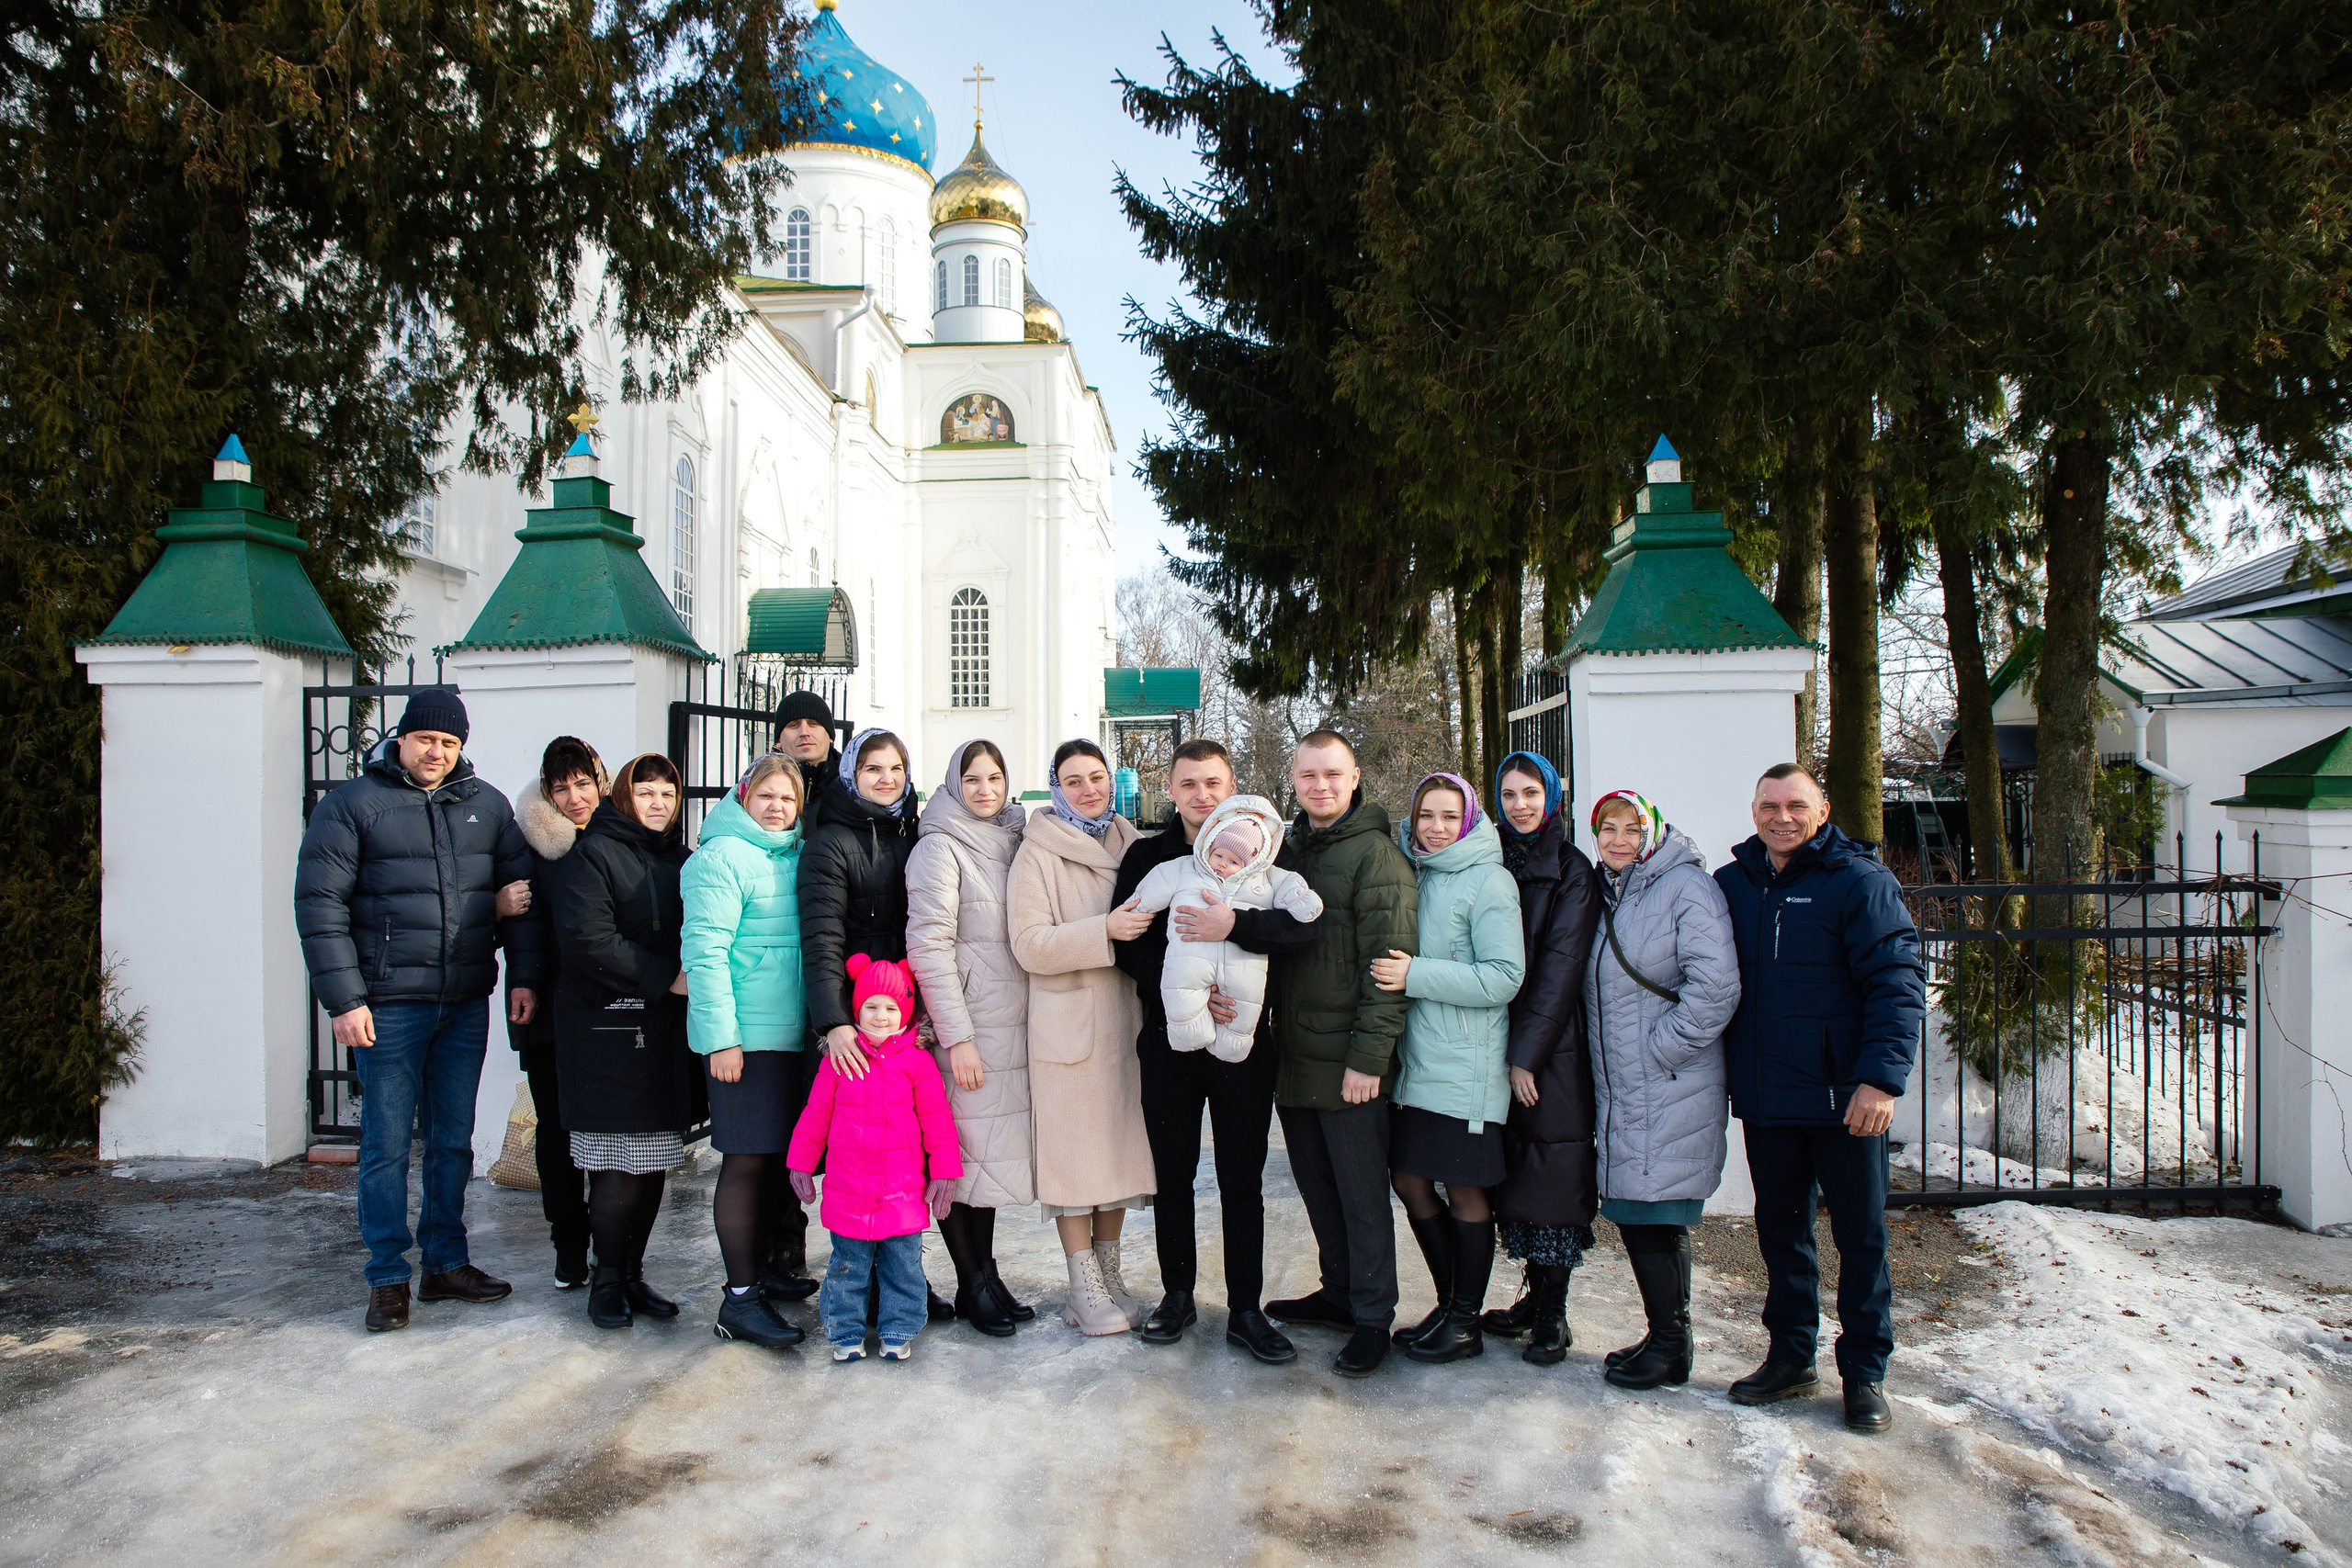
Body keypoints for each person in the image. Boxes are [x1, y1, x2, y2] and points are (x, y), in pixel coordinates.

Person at [295, 688, 533, 1333]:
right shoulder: (352, 806)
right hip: (386, 1006)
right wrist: (344, 999)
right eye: (427, 738)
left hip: (462, 1003)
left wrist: (524, 975)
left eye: (449, 742)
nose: (437, 751)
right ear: (401, 738)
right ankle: (387, 1276)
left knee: (452, 1142)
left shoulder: (486, 806)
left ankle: (446, 1262)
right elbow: (320, 905)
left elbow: (516, 896)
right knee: (386, 1145)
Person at [1716, 763, 1925, 1434]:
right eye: (1769, 805)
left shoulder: (1860, 882)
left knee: (1860, 1237)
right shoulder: (1734, 885)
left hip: (1846, 1100)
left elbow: (1897, 979)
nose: (1782, 817)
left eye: (1795, 805)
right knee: (1781, 1235)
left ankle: (1864, 1373)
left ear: (1824, 808)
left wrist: (1881, 1080)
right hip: (1769, 1097)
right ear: (1753, 811)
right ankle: (1791, 1355)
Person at [1111, 739, 1319, 1364]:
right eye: (1190, 784)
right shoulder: (1150, 856)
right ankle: (1177, 1294)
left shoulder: (1265, 855)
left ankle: (1246, 1309)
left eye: (1214, 783)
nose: (1203, 795)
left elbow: (1297, 930)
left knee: (1241, 1178)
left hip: (1245, 1040)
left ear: (1233, 788)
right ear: (1170, 789)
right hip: (1171, 1039)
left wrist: (1238, 939)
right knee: (1173, 1174)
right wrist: (1192, 994)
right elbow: (1128, 940)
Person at [1261, 730, 1419, 1378]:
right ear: (1293, 780)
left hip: (1350, 1063)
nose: (1319, 785)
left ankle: (1374, 1315)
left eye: (1332, 774)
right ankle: (1338, 1291)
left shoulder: (1375, 857)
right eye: (1308, 775)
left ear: (1355, 778)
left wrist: (1369, 1059)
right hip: (1295, 1056)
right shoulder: (1289, 851)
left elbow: (1388, 969)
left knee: (1360, 1195)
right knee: (1319, 1189)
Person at [1582, 789, 1741, 1392]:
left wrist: (1658, 1050)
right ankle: (1663, 1334)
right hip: (1627, 1086)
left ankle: (1674, 1346)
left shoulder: (1686, 887)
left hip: (1668, 1080)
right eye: (1607, 828)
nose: (1618, 839)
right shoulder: (1612, 891)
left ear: (1652, 831)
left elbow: (1716, 989)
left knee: (1657, 1211)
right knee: (1635, 1209)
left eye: (1630, 827)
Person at [796, 726, 950, 1320]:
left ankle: (902, 1279)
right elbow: (822, 937)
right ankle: (858, 1285)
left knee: (906, 1153)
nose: (885, 779)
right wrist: (834, 1023)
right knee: (859, 1152)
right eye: (872, 769)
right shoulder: (830, 841)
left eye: (895, 768)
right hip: (855, 1022)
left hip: (903, 1015)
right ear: (851, 775)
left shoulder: (912, 832)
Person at [1372, 773, 1526, 1364]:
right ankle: (1449, 1304)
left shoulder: (1490, 880)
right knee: (1410, 1180)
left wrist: (1417, 975)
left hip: (1466, 1064)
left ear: (1468, 820)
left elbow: (1503, 978)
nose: (1434, 828)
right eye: (1425, 815)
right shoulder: (1416, 870)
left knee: (1463, 1190)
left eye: (1447, 816)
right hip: (1418, 1063)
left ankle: (1465, 1322)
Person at [543, 752, 698, 1331]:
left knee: (654, 1160)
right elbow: (587, 938)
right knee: (616, 1164)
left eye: (666, 792)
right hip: (606, 1028)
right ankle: (604, 1278)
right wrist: (665, 976)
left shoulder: (681, 860)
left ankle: (632, 1273)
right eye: (646, 791)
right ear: (623, 797)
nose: (657, 802)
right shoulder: (593, 855)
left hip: (662, 1033)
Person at [1009, 739, 1156, 1336]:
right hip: (1067, 1028)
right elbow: (1028, 943)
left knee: (1116, 1153)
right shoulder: (1037, 853)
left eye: (1097, 776)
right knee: (1074, 1163)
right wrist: (1106, 930)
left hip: (1125, 1021)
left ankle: (1110, 1272)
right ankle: (1082, 1284)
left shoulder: (1134, 844)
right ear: (1055, 788)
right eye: (1073, 780)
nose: (1088, 788)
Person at [905, 739, 1038, 1337]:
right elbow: (928, 946)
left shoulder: (1012, 840)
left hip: (1008, 1023)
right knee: (957, 1161)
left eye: (995, 777)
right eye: (974, 779)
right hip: (967, 1031)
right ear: (954, 784)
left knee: (982, 1162)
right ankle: (970, 1281)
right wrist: (955, 1037)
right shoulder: (939, 847)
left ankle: (986, 1274)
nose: (986, 789)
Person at [681, 754, 812, 1350]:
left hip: (790, 1038)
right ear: (745, 795)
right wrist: (721, 1039)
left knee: (778, 1161)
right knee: (745, 1161)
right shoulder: (722, 857)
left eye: (788, 798)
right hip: (746, 1041)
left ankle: (766, 1272)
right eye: (768, 795)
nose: (778, 806)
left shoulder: (791, 854)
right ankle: (739, 1299)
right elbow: (705, 953)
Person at [1479, 750, 1603, 1365]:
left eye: (1531, 793)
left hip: (1550, 1048)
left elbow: (1560, 968)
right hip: (1493, 1039)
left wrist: (1525, 1056)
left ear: (1551, 797)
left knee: (1553, 1172)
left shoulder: (1572, 869)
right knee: (1516, 1172)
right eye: (1509, 794)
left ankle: (1554, 1313)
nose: (1520, 804)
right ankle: (1532, 1295)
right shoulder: (1492, 855)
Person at [788, 955, 962, 1361]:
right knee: (848, 1268)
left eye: (890, 1008)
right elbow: (815, 1116)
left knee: (903, 1268)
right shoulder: (841, 1059)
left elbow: (938, 1122)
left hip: (903, 1191)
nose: (881, 1016)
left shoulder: (918, 1063)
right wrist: (800, 1162)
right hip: (848, 1190)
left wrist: (944, 1173)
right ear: (855, 1009)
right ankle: (845, 1333)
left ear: (905, 1011)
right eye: (871, 1006)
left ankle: (899, 1329)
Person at [504, 737, 608, 1291]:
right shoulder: (533, 842)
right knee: (557, 1125)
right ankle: (569, 1242)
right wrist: (523, 979)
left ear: (600, 781)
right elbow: (520, 917)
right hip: (546, 1004)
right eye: (560, 787)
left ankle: (611, 1240)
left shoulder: (617, 831)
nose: (573, 797)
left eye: (582, 783)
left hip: (604, 1007)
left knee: (605, 1124)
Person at [1123, 795, 1323, 1061]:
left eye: (1232, 861)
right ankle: (1187, 1034)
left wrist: (1239, 923)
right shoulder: (1187, 868)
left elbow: (1298, 903)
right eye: (1218, 855)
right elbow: (1156, 884)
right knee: (1182, 995)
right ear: (1209, 844)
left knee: (1244, 1005)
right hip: (1187, 962)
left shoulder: (1268, 877)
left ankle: (1235, 1045)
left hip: (1245, 967)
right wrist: (1134, 909)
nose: (1222, 864)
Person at [771, 689, 842, 833]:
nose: (804, 732)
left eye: (813, 724)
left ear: (830, 736)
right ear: (778, 740)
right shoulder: (757, 785)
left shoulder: (853, 785)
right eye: (794, 725)